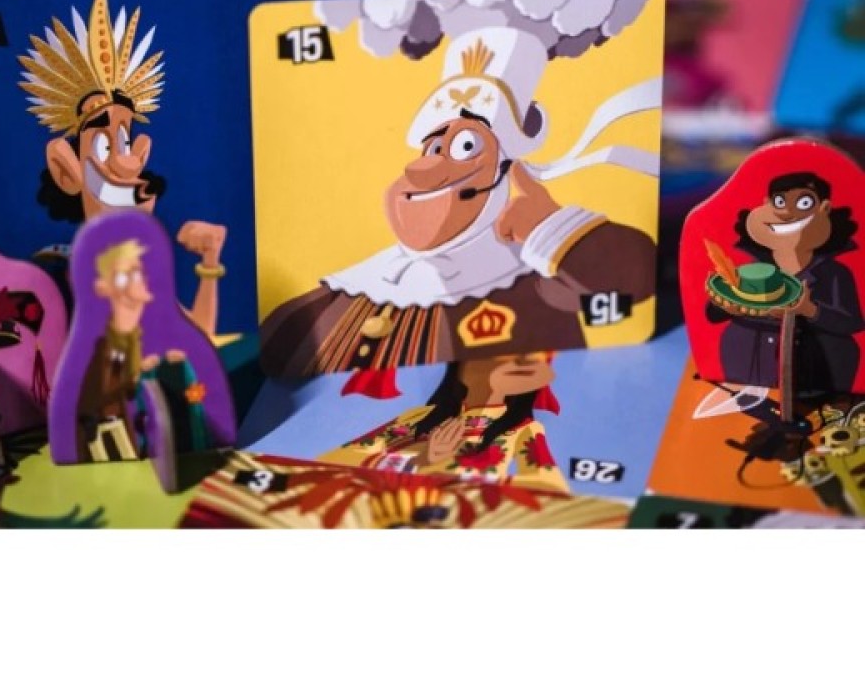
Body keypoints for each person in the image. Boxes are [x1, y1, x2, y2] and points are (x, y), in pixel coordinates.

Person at [260, 26, 658, 395]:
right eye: (433, 147)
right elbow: (281, 349)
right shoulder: (357, 288)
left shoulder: (532, 278)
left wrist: (551, 227)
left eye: (466, 146)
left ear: (506, 170)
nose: (422, 170)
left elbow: (631, 287)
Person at [18, 0, 225, 335]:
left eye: (125, 144)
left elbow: (197, 334)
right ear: (67, 170)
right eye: (102, 147)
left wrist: (210, 261)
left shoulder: (141, 265)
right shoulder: (54, 270)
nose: (125, 163)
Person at [320, 352, 568, 493]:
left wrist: (465, 481)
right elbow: (333, 459)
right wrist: (418, 461)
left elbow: (549, 484)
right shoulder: (417, 417)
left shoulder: (522, 429)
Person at [707, 171, 863, 392]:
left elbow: (852, 323)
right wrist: (726, 306)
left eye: (804, 202)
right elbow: (712, 313)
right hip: (747, 366)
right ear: (765, 205)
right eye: (780, 202)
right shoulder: (754, 270)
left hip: (814, 375)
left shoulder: (835, 274)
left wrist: (810, 310)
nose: (788, 213)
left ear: (824, 209)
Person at [76, 239, 207, 462]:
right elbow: (108, 388)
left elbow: (198, 336)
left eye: (139, 274)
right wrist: (137, 374)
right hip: (116, 434)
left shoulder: (140, 330)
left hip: (146, 424)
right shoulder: (111, 343)